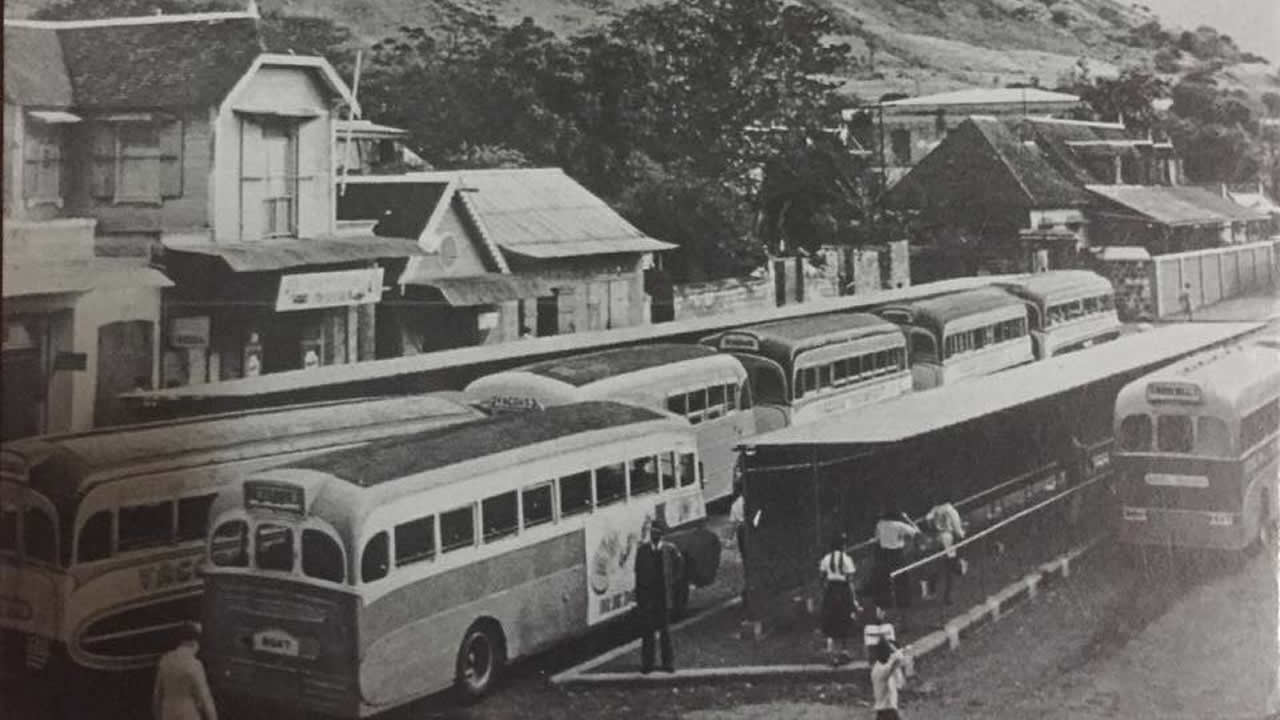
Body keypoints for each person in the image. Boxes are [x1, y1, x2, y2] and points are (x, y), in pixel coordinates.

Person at [634, 518, 683, 673]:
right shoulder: (643, 551)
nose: (655, 536)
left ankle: (668, 663)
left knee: (665, 632)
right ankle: (647, 664)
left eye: (658, 533)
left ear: (662, 535)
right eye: (653, 533)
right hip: (649, 597)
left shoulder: (670, 550)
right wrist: (640, 597)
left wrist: (671, 584)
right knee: (647, 632)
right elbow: (638, 573)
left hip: (663, 596)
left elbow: (679, 568)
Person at [152, 621, 217, 720]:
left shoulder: (165, 660)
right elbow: (205, 699)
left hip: (168, 714)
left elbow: (157, 696)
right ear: (195, 642)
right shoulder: (194, 664)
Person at [817, 533, 858, 666]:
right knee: (844, 617)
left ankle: (834, 654)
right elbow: (850, 580)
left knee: (831, 618)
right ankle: (843, 651)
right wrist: (853, 598)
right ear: (843, 546)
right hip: (842, 589)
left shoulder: (826, 559)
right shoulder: (847, 559)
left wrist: (825, 589)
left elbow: (822, 576)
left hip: (831, 589)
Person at [874, 505, 921, 610]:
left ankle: (886, 603)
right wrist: (907, 519)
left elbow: (877, 538)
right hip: (896, 554)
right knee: (902, 579)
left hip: (884, 554)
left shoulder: (880, 524)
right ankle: (903, 603)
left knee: (886, 578)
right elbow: (917, 532)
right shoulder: (899, 525)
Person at [925, 501, 966, 604]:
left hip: (937, 538)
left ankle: (932, 589)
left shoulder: (934, 509)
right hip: (947, 538)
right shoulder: (950, 510)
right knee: (950, 567)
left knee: (937, 564)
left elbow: (928, 520)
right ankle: (948, 597)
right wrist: (962, 533)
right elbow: (958, 529)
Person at [870, 638, 909, 720]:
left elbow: (900, 685)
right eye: (888, 651)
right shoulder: (880, 670)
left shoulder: (881, 667)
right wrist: (899, 651)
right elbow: (896, 661)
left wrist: (898, 651)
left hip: (887, 711)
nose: (889, 654)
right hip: (887, 712)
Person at [729, 488, 748, 607]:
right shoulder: (753, 500)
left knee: (746, 558)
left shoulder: (736, 504)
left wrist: (730, 538)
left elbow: (733, 524)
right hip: (751, 528)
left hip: (742, 531)